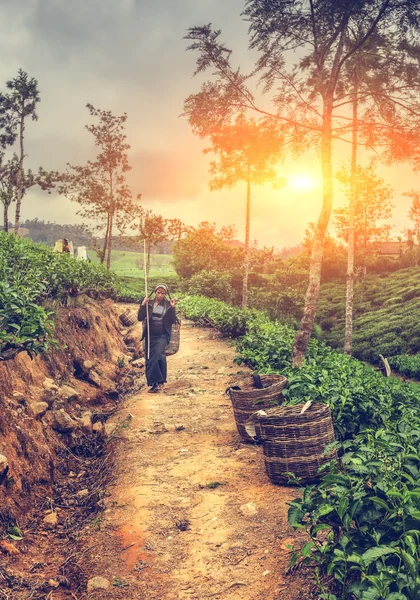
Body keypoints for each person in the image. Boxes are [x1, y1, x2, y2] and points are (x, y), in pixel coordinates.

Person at [138, 284, 177, 393]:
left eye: (162, 293)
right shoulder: (148, 303)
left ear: (165, 294)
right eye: (158, 292)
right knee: (149, 358)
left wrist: (173, 308)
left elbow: (173, 320)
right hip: (150, 336)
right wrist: (142, 305)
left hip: (162, 336)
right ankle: (156, 383)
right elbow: (139, 318)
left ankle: (158, 383)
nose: (160, 295)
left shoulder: (168, 305)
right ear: (155, 292)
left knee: (157, 355)